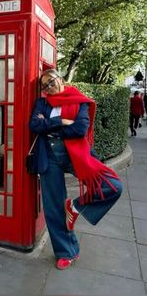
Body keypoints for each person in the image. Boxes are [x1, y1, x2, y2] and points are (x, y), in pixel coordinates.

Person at [29, 68, 122, 270]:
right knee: (53, 208)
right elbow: (35, 125)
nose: (48, 88)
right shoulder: (42, 103)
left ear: (60, 78)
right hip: (49, 157)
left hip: (75, 155)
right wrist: (61, 121)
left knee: (112, 186)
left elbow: (80, 128)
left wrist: (50, 126)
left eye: (51, 82)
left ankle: (76, 207)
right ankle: (67, 252)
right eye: (44, 86)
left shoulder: (78, 100)